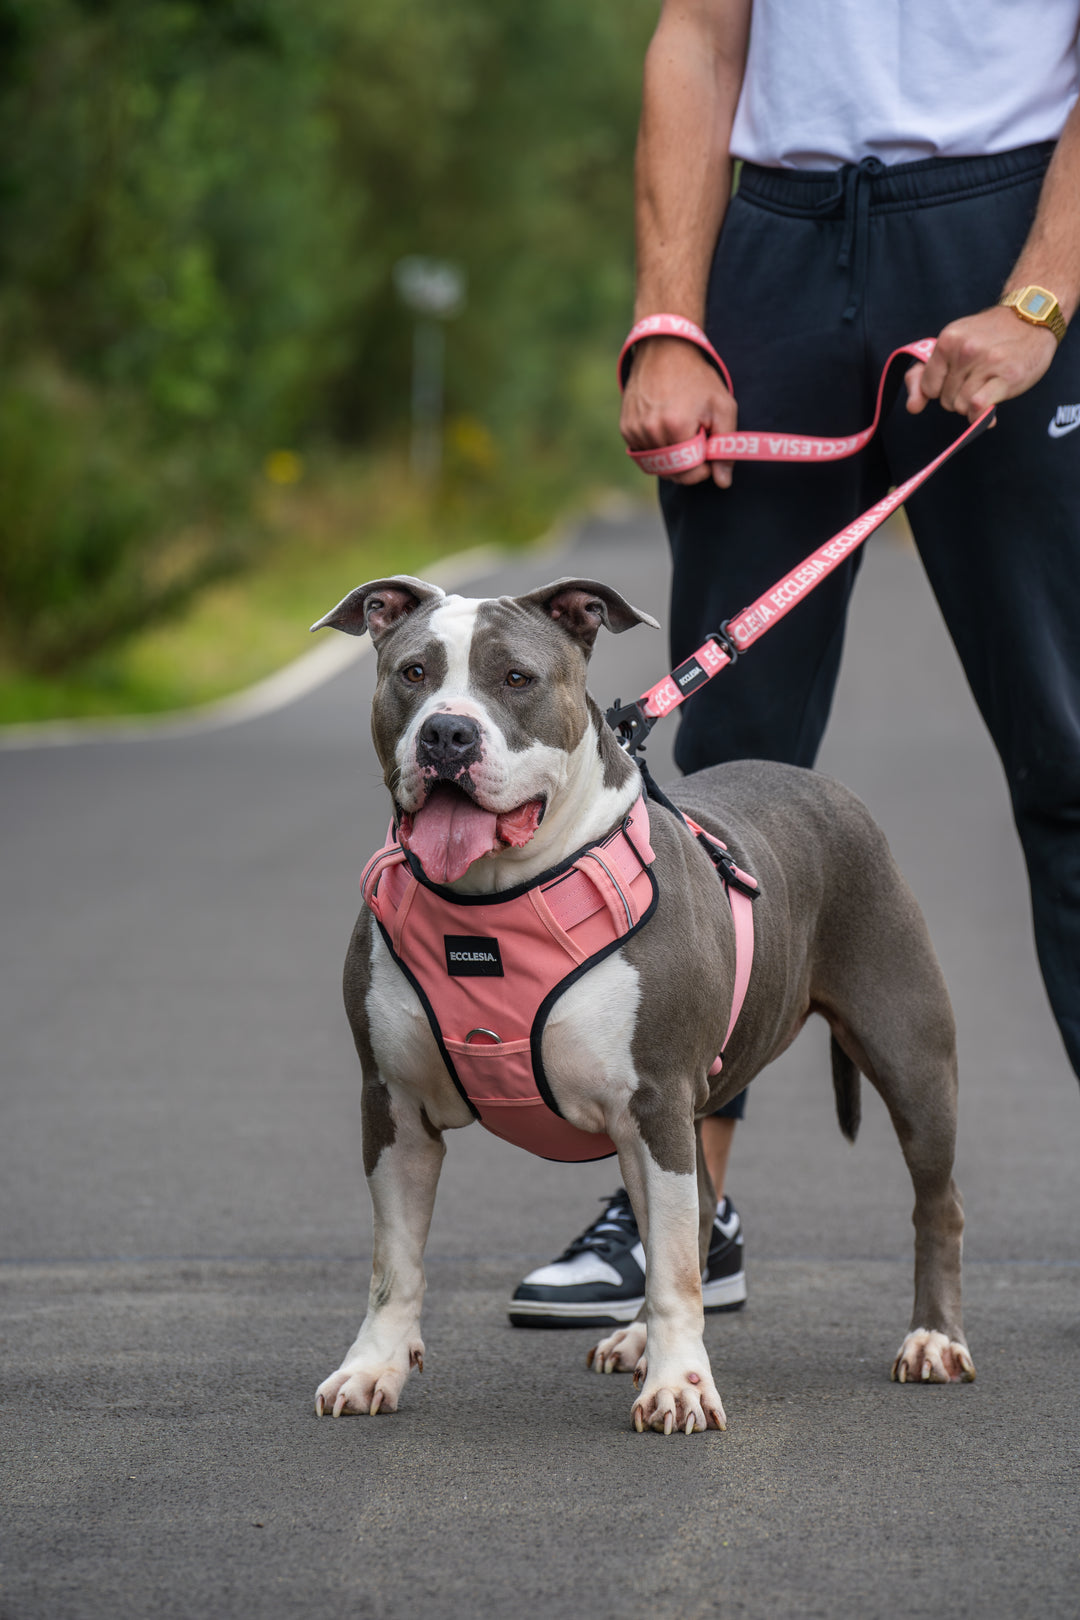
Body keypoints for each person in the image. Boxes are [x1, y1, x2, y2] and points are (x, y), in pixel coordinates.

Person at [509, 0, 1080, 1329]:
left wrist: (1042, 293)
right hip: (775, 245)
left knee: (1069, 756)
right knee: (724, 775)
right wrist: (668, 317)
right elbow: (699, 35)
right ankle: (679, 1218)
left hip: (1009, 233)